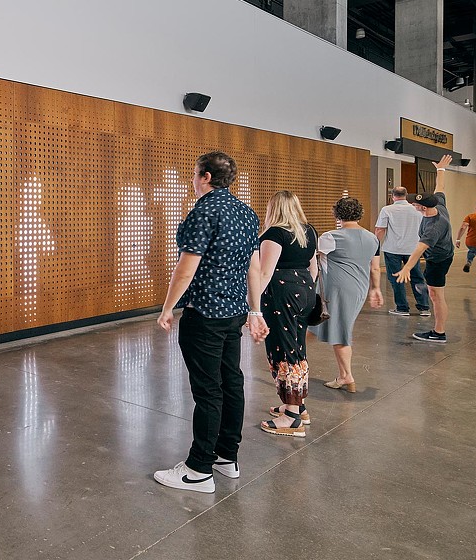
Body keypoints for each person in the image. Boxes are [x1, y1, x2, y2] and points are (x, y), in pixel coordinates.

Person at [154, 151, 268, 494]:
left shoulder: (204, 212)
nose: (192, 179)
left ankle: (198, 469)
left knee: (207, 390)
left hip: (204, 314)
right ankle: (226, 456)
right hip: (233, 313)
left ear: (205, 177)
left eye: (194, 173)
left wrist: (167, 307)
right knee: (231, 382)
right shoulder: (246, 213)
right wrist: (255, 309)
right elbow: (254, 267)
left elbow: (186, 268)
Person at [257, 191, 318, 438]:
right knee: (296, 347)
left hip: (281, 294)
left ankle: (291, 417)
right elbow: (314, 267)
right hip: (304, 290)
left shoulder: (274, 234)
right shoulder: (309, 231)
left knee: (283, 350)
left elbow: (264, 273)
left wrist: (250, 306)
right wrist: (305, 291)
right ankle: (297, 406)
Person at [309, 197, 383, 393]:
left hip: (337, 289)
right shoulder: (372, 238)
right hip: (359, 288)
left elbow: (313, 262)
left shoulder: (330, 237)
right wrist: (375, 289)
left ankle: (347, 376)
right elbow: (375, 268)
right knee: (327, 326)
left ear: (337, 214)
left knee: (340, 331)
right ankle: (342, 375)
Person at [394, 154, 455, 343]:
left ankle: (439, 332)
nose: (412, 205)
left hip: (438, 260)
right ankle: (438, 330)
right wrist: (441, 169)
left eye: (414, 204)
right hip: (439, 257)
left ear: (422, 208)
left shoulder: (433, 226)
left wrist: (406, 268)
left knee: (436, 295)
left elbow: (419, 249)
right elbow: (440, 187)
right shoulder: (438, 204)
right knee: (434, 293)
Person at [374, 186, 431, 316]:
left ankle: (402, 308)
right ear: (406, 195)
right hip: (413, 249)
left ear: (392, 196)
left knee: (396, 278)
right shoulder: (417, 209)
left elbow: (380, 230)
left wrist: (375, 246)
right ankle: (424, 307)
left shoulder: (387, 209)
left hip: (392, 249)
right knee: (417, 277)